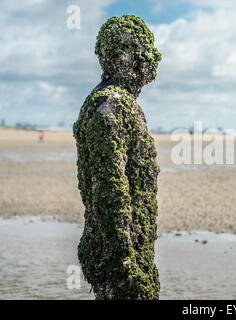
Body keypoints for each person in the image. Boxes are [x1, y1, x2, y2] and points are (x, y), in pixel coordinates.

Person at [73, 15, 162, 300]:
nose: (146, 60)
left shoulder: (116, 102)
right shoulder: (111, 104)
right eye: (138, 51)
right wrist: (127, 269)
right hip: (118, 260)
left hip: (124, 250)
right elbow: (110, 191)